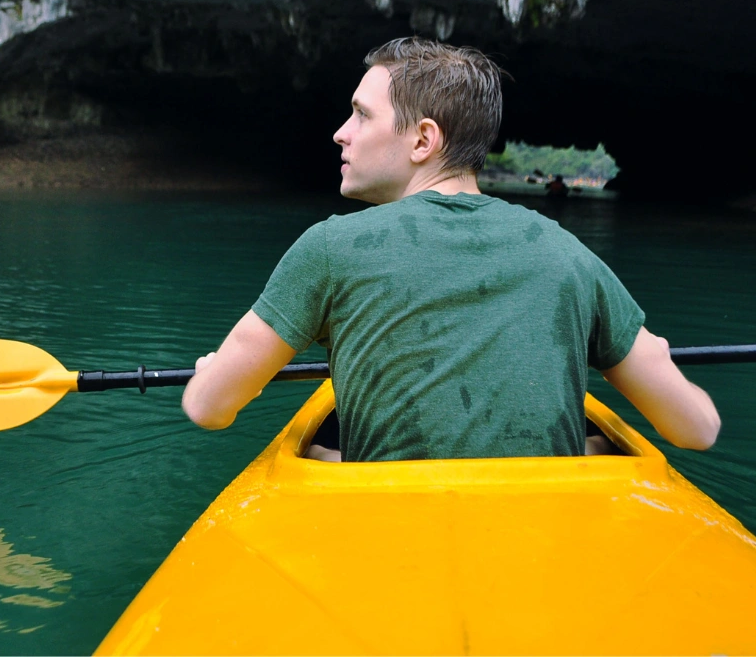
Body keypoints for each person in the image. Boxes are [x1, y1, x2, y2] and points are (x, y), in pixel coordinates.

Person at [181, 38, 719, 462]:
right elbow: (696, 429)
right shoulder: (568, 254)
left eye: (362, 115)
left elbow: (208, 407)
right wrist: (651, 358)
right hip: (541, 537)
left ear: (423, 140)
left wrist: (216, 373)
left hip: (395, 531)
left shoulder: (329, 248)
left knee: (324, 453)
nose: (340, 133)